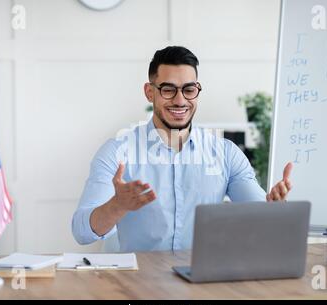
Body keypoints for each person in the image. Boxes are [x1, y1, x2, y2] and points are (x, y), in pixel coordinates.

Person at [72, 46, 292, 252]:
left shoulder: (226, 154)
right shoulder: (117, 152)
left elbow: (260, 218)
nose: (180, 100)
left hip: (202, 283)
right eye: (168, 89)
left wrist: (273, 209)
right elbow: (82, 233)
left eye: (189, 89)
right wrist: (117, 206)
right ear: (150, 92)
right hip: (139, 285)